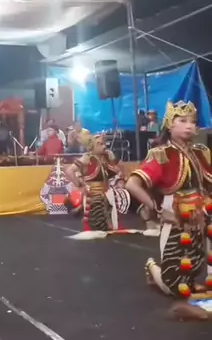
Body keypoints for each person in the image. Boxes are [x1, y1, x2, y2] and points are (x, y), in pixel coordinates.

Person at [126, 101, 212, 320]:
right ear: (169, 125)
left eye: (192, 122)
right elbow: (132, 184)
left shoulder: (201, 152)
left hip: (199, 218)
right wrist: (157, 210)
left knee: (196, 267)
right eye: (182, 121)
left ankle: (187, 287)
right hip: (176, 221)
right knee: (175, 284)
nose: (189, 126)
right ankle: (153, 268)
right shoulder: (161, 154)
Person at [64, 129, 129, 238]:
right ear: (92, 146)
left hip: (108, 191)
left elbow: (119, 166)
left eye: (104, 143)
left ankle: (109, 220)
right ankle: (85, 212)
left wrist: (121, 177)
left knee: (120, 196)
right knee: (99, 223)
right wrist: (80, 185)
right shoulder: (87, 158)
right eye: (100, 144)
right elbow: (69, 171)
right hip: (93, 193)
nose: (104, 146)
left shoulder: (108, 155)